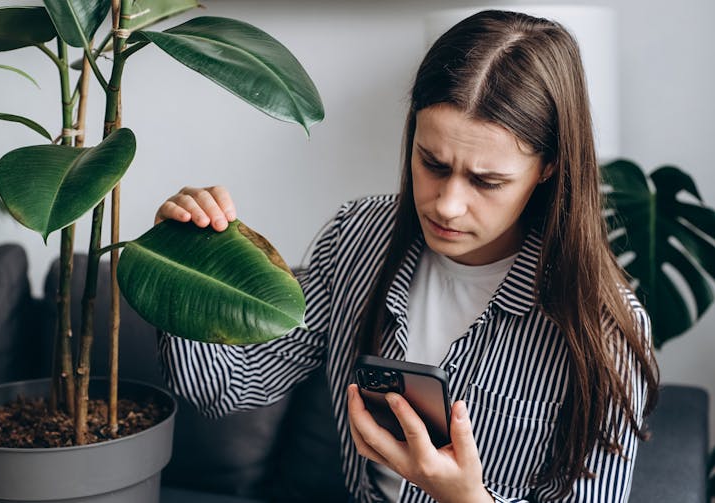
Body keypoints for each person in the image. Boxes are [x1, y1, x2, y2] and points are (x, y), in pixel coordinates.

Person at [155, 9, 658, 503]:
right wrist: (185, 268)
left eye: (487, 181)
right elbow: (224, 387)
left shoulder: (605, 329)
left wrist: (465, 499)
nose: (447, 204)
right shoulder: (357, 238)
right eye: (432, 163)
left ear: (548, 167)